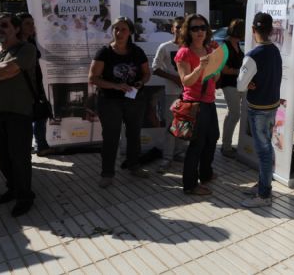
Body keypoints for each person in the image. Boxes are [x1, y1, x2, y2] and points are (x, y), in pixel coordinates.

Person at [88, 17, 150, 188]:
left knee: (133, 134)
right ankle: (107, 173)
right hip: (109, 101)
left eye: (123, 29)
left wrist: (140, 83)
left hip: (134, 100)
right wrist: (116, 86)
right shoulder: (104, 52)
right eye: (116, 29)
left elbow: (146, 73)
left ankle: (134, 165)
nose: (119, 32)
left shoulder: (137, 51)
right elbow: (93, 78)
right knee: (111, 137)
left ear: (129, 32)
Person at [0, 13, 37, 217]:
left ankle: (25, 196)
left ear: (16, 29)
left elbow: (8, 70)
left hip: (19, 112)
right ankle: (13, 189)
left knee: (19, 158)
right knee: (2, 157)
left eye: (4, 25)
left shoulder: (26, 49)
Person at [238, 12, 282, 207]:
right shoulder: (275, 50)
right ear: (271, 30)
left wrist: (248, 84)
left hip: (258, 109)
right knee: (267, 147)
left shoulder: (252, 56)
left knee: (263, 151)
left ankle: (264, 195)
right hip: (272, 106)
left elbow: (240, 85)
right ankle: (264, 183)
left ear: (253, 30)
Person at [174, 14, 220, 195]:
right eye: (195, 28)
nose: (199, 31)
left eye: (202, 27)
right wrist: (200, 67)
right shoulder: (184, 52)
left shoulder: (209, 50)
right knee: (197, 145)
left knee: (213, 137)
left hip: (209, 101)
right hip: (195, 103)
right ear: (188, 31)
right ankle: (190, 185)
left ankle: (206, 174)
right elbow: (186, 81)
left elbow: (215, 78)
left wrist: (215, 66)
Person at [151, 16, 187, 173]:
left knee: (184, 124)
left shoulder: (189, 48)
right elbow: (155, 67)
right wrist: (173, 78)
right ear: (172, 29)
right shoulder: (165, 47)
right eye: (177, 27)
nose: (179, 30)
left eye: (182, 27)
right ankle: (167, 157)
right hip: (171, 92)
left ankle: (179, 152)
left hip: (187, 93)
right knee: (171, 126)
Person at [16, 12, 54, 157]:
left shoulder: (30, 41)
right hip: (26, 88)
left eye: (32, 23)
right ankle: (35, 146)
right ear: (18, 26)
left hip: (35, 85)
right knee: (32, 117)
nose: (32, 26)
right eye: (27, 23)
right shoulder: (18, 45)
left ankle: (40, 145)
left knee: (39, 115)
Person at [219, 18, 246, 158]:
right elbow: (224, 70)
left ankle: (226, 145)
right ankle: (226, 146)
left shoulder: (236, 44)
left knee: (232, 114)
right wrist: (241, 71)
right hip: (229, 84)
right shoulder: (225, 46)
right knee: (234, 114)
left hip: (237, 84)